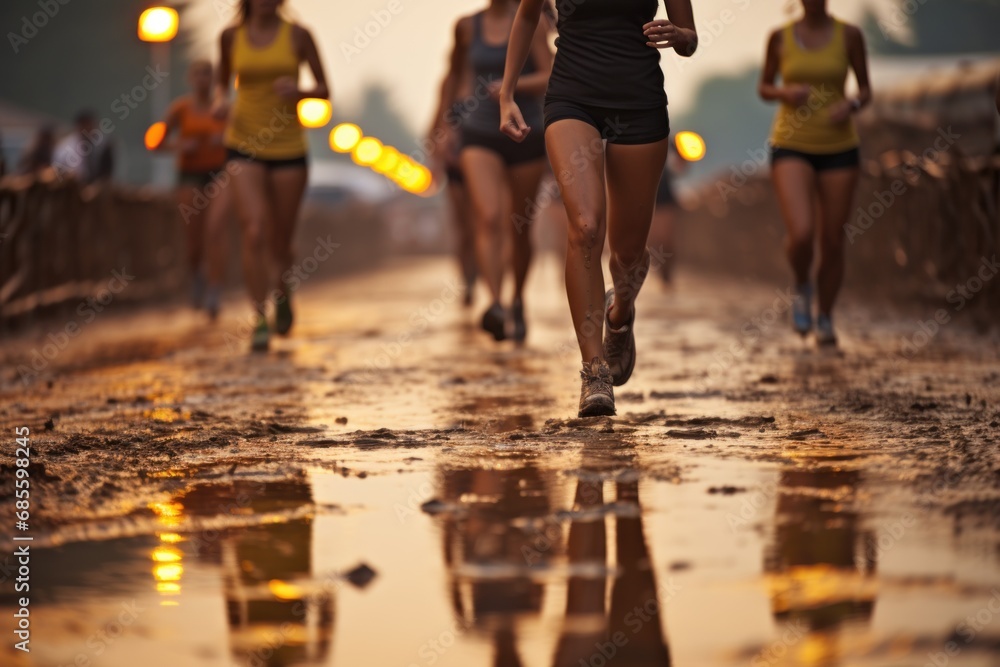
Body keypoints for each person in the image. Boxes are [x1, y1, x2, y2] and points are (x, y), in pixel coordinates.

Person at [500, 0, 697, 416]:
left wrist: (680, 37)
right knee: (587, 226)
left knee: (627, 253)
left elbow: (689, 38)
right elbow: (527, 14)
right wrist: (507, 94)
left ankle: (620, 314)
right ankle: (594, 373)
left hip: (639, 102)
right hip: (573, 98)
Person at [213, 0, 330, 352]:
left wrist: (300, 93)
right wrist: (221, 101)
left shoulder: (298, 35)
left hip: (288, 147)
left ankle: (282, 290)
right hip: (243, 143)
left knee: (281, 238)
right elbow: (222, 83)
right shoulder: (230, 37)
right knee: (254, 229)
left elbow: (325, 89)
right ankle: (259, 317)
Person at [434, 0, 553, 343]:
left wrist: (510, 88)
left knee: (519, 225)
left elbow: (549, 75)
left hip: (526, 132)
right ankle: (496, 303)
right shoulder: (467, 27)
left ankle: (517, 299)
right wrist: (445, 124)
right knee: (488, 217)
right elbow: (455, 74)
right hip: (478, 133)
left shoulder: (532, 21)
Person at [758, 0, 871, 347]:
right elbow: (764, 87)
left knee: (834, 240)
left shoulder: (850, 35)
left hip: (839, 146)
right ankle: (802, 284)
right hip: (791, 144)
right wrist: (784, 92)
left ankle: (825, 317)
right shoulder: (779, 37)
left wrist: (850, 104)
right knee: (803, 232)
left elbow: (866, 90)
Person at [159, 60, 230, 318]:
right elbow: (155, 142)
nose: (203, 79)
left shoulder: (223, 110)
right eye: (199, 74)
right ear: (191, 78)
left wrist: (225, 140)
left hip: (219, 173)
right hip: (189, 174)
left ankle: (215, 287)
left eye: (208, 75)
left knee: (215, 229)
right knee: (193, 237)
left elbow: (245, 140)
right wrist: (179, 145)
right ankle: (197, 274)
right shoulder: (181, 109)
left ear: (214, 80)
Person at [428, 77, 478, 308]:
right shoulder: (450, 82)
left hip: (485, 159)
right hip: (455, 164)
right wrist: (436, 154)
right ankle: (467, 279)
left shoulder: (495, 72)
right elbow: (438, 119)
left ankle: (485, 272)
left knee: (486, 222)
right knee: (464, 227)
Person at [53, 110, 115, 184]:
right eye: (85, 126)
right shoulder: (64, 149)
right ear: (79, 126)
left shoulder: (103, 146)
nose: (89, 129)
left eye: (91, 126)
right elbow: (57, 172)